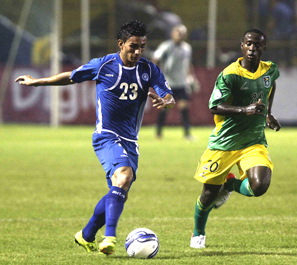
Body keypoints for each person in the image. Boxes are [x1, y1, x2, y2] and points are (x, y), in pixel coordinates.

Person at [15, 20, 175, 256]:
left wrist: (167, 102)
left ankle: (86, 235)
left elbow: (168, 94)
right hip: (107, 136)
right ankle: (109, 237)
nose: (138, 52)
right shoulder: (104, 65)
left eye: (142, 46)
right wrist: (37, 82)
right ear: (121, 44)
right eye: (133, 46)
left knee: (120, 191)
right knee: (124, 176)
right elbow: (72, 76)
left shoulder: (149, 69)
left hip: (131, 141)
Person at [190, 28, 281, 249]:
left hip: (253, 141)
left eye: (257, 45)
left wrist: (268, 113)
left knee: (259, 186)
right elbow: (214, 106)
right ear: (242, 46)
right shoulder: (229, 74)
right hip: (226, 142)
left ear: (263, 48)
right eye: (248, 44)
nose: (252, 48)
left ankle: (230, 183)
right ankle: (198, 233)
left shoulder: (269, 70)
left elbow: (271, 85)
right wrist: (245, 109)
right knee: (209, 193)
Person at [152, 24, 199, 140]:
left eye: (182, 33)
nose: (180, 35)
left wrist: (191, 77)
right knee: (165, 107)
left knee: (184, 107)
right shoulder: (166, 46)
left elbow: (187, 64)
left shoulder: (187, 48)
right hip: (169, 83)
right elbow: (155, 59)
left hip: (182, 82)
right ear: (173, 34)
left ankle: (187, 134)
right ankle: (158, 132)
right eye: (178, 33)